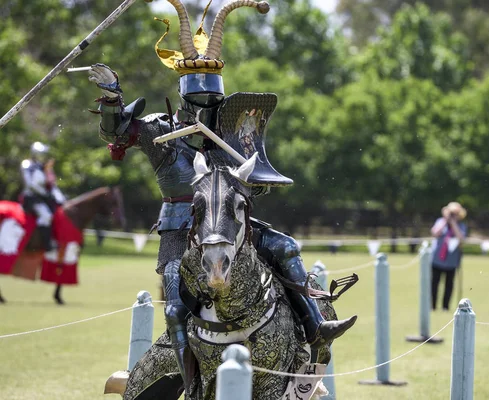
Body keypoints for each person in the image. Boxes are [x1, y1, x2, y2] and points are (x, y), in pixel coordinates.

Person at [87, 1, 354, 395]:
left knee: (286, 246)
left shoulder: (233, 134)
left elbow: (256, 180)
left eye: (211, 102)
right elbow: (115, 134)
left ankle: (315, 325)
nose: (205, 109)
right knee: (178, 303)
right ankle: (191, 380)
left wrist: (255, 181)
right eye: (198, 102)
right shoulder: (161, 132)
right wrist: (112, 98)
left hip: (231, 224)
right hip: (182, 230)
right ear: (184, 97)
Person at [20, 142, 66, 251]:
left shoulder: (44, 168)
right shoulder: (27, 164)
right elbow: (30, 184)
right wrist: (45, 194)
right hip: (31, 198)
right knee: (46, 215)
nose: (42, 157)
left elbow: (51, 185)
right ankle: (46, 244)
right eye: (40, 154)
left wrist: (61, 198)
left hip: (43, 198)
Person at [430, 201, 468, 311]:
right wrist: (446, 221)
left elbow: (461, 238)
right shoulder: (440, 222)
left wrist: (453, 223)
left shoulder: (461, 226)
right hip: (437, 258)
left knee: (449, 285)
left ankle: (445, 307)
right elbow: (435, 232)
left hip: (452, 260)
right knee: (434, 284)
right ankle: (432, 306)